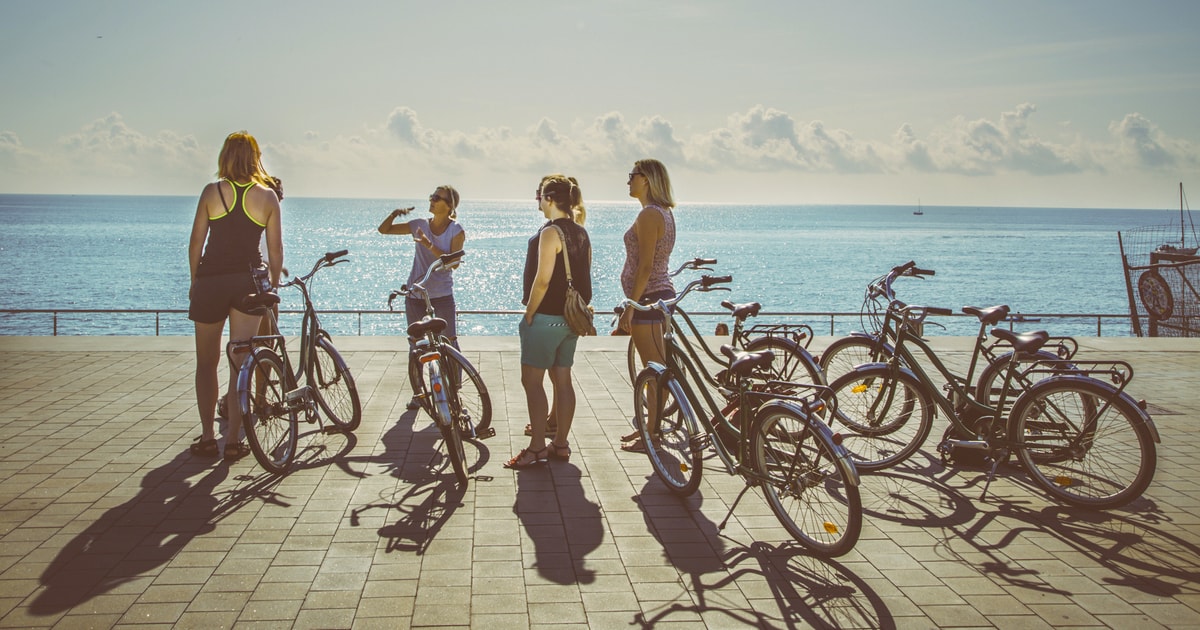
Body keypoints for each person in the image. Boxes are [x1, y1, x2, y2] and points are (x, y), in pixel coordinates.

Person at [188, 131, 283, 461]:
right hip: (247, 284)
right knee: (239, 364)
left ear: (225, 156)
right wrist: (271, 287)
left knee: (206, 363)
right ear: (255, 157)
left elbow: (196, 243)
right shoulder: (267, 197)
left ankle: (205, 437)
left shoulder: (211, 192)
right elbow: (275, 252)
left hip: (210, 282)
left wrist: (194, 282)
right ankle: (232, 441)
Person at [505, 175, 592, 468]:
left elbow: (542, 281)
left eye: (541, 196)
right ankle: (561, 445)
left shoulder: (551, 233)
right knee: (563, 380)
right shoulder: (580, 232)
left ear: (550, 199)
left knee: (532, 381)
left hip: (547, 318)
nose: (538, 201)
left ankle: (537, 447)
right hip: (570, 321)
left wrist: (529, 313)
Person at [378, 185, 466, 409]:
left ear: (449, 206)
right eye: (432, 196)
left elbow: (453, 263)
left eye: (438, 198)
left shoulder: (456, 231)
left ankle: (454, 390)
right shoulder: (419, 224)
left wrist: (429, 244)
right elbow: (384, 230)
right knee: (416, 346)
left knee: (450, 343)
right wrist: (395, 213)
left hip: (442, 295)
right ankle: (419, 394)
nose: (433, 200)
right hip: (415, 294)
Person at [618, 159, 676, 453]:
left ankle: (651, 435)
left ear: (647, 180)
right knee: (656, 370)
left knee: (653, 372)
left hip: (649, 299)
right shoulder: (660, 213)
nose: (628, 180)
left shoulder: (650, 215)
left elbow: (645, 267)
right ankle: (649, 428)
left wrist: (631, 305)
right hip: (658, 296)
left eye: (632, 175)